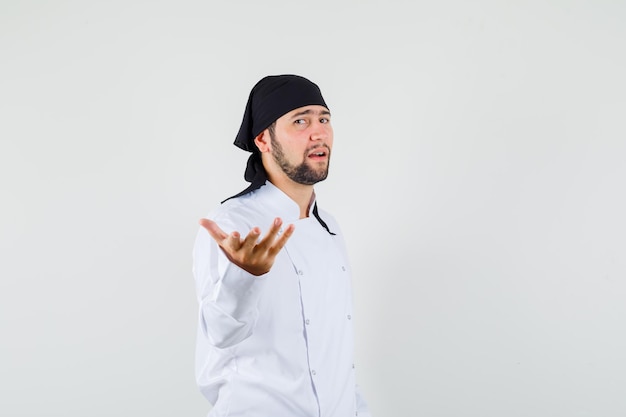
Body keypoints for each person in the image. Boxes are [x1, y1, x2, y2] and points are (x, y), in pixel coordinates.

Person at [192, 74, 371, 417]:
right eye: (300, 120)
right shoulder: (233, 225)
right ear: (263, 139)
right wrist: (245, 276)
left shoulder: (329, 227)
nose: (318, 132)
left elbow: (336, 357)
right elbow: (220, 333)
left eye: (324, 119)